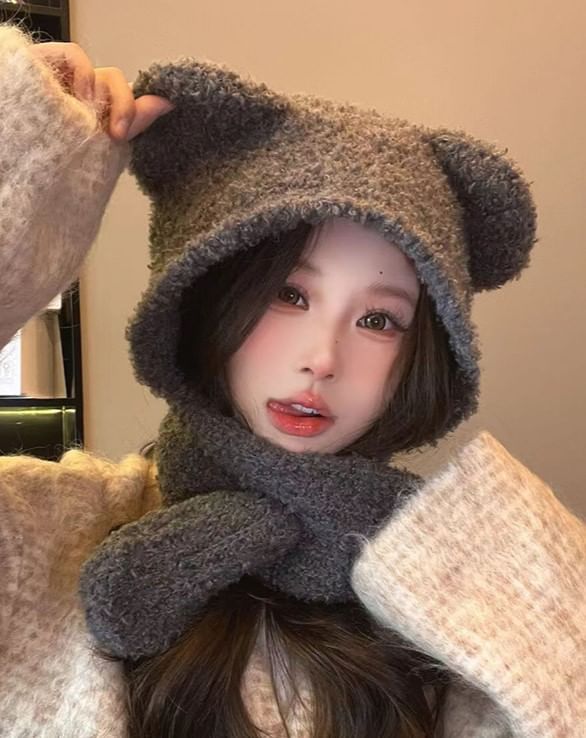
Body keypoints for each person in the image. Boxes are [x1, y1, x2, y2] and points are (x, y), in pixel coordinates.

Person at [0, 22, 584, 738]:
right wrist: (25, 140)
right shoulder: (46, 530)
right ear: (205, 293)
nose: (324, 359)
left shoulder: (467, 585)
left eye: (380, 320)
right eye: (290, 295)